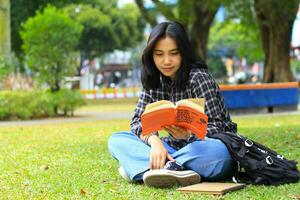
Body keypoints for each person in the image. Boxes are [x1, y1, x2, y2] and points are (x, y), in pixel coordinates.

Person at [108, 21, 237, 188]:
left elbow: (218, 128)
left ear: (183, 53)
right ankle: (174, 168)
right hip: (173, 148)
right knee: (117, 140)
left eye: (174, 53)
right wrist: (155, 142)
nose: (166, 61)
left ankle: (149, 167)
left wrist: (187, 135)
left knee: (218, 154)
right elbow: (137, 123)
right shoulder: (154, 82)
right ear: (151, 55)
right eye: (159, 54)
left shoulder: (199, 78)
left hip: (206, 149)